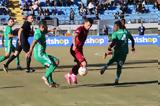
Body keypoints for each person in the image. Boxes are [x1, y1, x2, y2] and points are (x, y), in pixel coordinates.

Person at [100, 20, 135, 85]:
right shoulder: (126, 31)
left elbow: (114, 41)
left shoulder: (115, 33)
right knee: (119, 66)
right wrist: (132, 47)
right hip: (124, 52)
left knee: (112, 60)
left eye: (114, 26)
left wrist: (109, 47)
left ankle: (105, 66)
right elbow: (132, 39)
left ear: (117, 26)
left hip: (117, 51)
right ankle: (117, 79)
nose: (113, 28)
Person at [26, 21, 59, 88]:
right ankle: (45, 77)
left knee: (55, 61)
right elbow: (33, 42)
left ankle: (51, 82)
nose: (47, 27)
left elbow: (45, 31)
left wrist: (51, 30)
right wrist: (30, 51)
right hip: (39, 55)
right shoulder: (38, 34)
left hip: (42, 54)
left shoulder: (40, 31)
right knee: (53, 63)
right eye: (46, 26)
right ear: (42, 27)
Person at [64, 18, 93, 85]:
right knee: (84, 63)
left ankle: (69, 75)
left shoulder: (86, 30)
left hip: (80, 49)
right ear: (84, 23)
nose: (89, 27)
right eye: (88, 25)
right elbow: (74, 36)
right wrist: (74, 45)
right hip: (75, 49)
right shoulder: (80, 29)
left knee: (80, 64)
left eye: (90, 26)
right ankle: (73, 75)